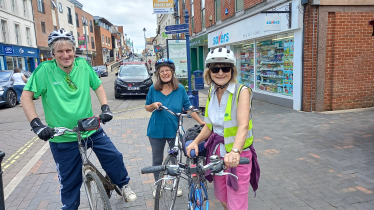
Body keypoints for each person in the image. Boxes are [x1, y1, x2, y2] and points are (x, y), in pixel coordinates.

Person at [20, 29, 137, 210]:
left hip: (90, 129)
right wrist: (36, 124)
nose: (65, 55)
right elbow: (26, 97)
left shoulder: (83, 65)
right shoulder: (45, 71)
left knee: (114, 156)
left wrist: (105, 107)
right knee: (69, 181)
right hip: (62, 137)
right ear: (53, 54)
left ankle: (123, 184)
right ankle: (70, 207)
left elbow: (97, 86)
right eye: (60, 51)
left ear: (74, 51)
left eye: (68, 50)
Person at [186, 48, 260, 210]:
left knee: (237, 204)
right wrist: (196, 142)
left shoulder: (242, 91)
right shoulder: (212, 91)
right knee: (222, 197)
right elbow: (210, 125)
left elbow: (243, 126)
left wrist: (235, 152)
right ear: (209, 72)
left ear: (232, 70)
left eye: (225, 68)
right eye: (215, 68)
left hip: (238, 155)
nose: (220, 73)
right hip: (217, 154)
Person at [145, 58, 205, 198]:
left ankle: (173, 184)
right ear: (158, 74)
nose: (165, 73)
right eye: (162, 71)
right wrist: (153, 106)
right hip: (156, 130)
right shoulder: (153, 89)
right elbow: (147, 107)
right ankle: (158, 186)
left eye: (167, 70)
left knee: (174, 160)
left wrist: (201, 122)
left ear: (172, 72)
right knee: (157, 160)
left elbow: (188, 108)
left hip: (174, 130)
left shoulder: (180, 89)